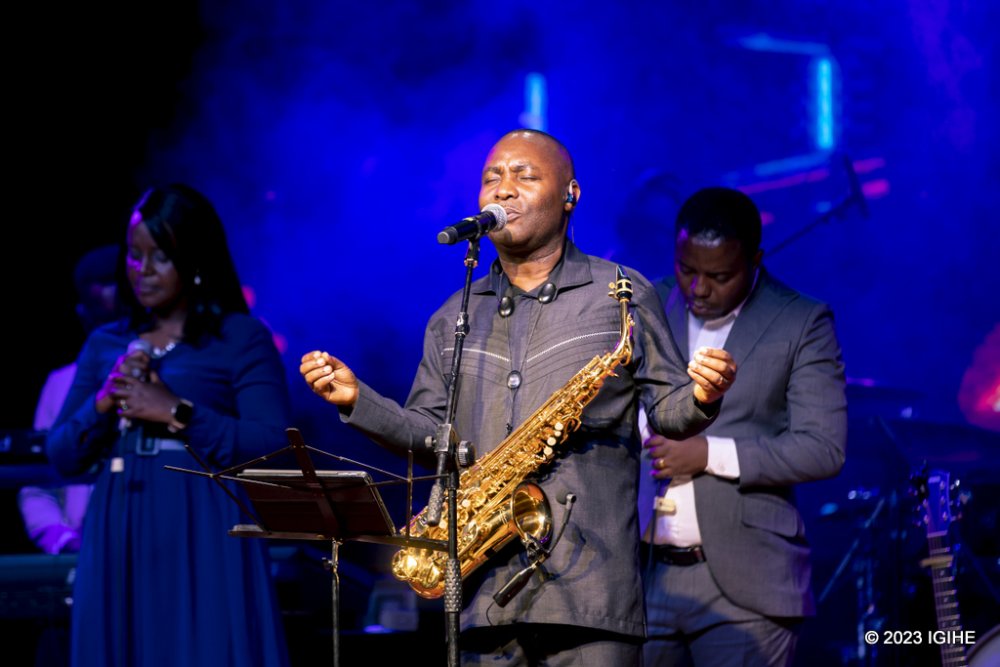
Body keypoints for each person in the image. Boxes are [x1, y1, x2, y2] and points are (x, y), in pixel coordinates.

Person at [300, 129, 737, 665]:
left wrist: (704, 394)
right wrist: (357, 401)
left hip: (590, 593)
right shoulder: (453, 316)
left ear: (571, 194)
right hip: (483, 596)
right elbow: (430, 436)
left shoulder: (621, 293)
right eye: (492, 178)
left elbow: (668, 411)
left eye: (524, 176)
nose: (503, 189)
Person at [46, 183, 291, 667]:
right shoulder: (106, 343)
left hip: (202, 523)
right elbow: (61, 456)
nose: (143, 270)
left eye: (160, 256)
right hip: (119, 520)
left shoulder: (238, 337)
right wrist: (103, 401)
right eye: (134, 255)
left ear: (195, 259)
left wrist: (177, 412)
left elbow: (272, 445)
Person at [638, 186, 847, 666]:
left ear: (755, 260)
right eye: (686, 270)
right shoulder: (649, 303)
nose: (698, 289)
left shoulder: (801, 320)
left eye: (719, 276)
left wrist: (708, 453)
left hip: (747, 584)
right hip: (642, 576)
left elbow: (823, 448)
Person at [19, 244, 120, 556]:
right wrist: (61, 540)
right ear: (83, 315)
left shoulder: (170, 373)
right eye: (103, 321)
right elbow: (37, 482)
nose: (111, 338)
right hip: (83, 553)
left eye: (121, 321)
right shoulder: (60, 384)